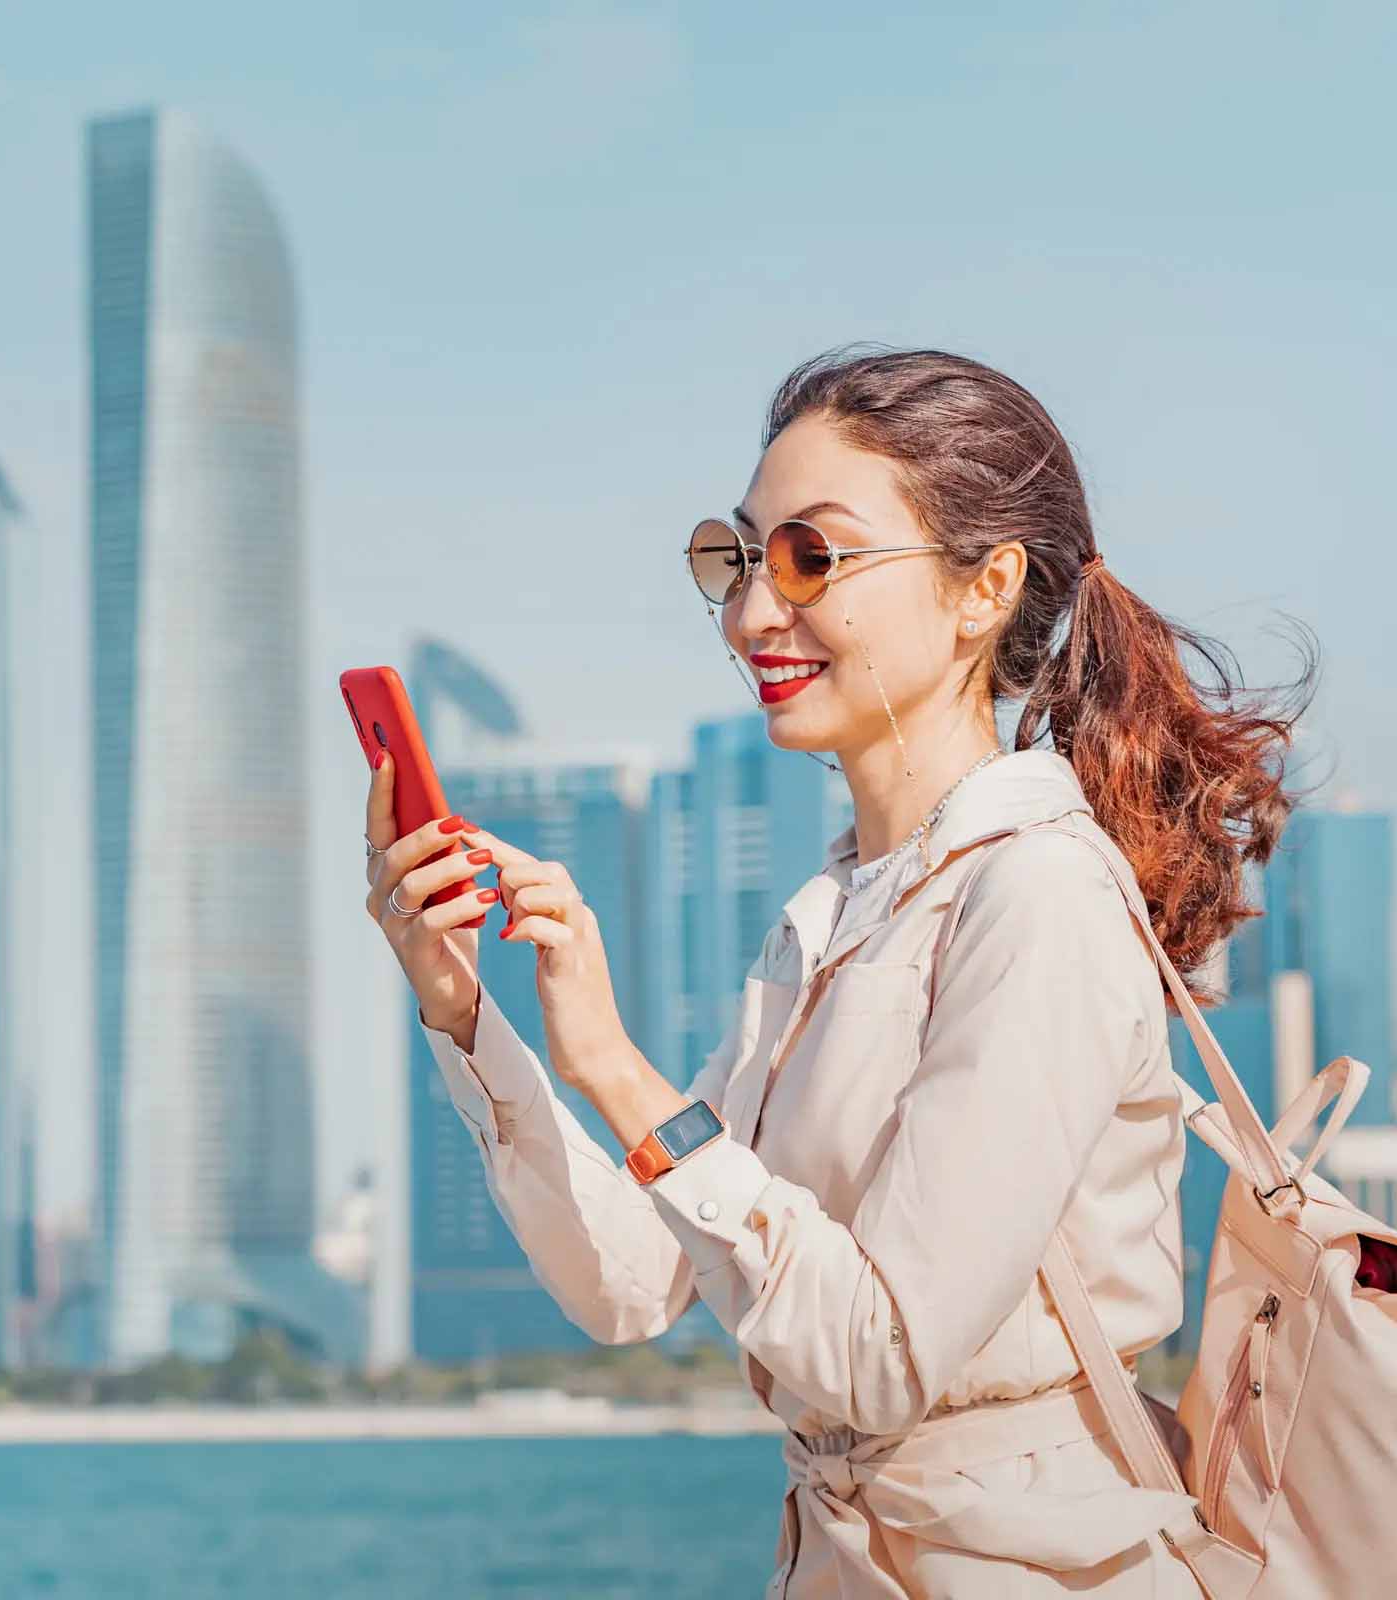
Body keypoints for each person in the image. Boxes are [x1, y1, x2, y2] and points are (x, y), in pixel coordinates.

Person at [362, 345, 1317, 1597]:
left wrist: (616, 1062)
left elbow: (876, 1354)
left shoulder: (1037, 892)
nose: (754, 610)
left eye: (814, 557)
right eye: (740, 556)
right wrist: (464, 1012)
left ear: (984, 590)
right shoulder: (835, 915)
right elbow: (632, 1279)